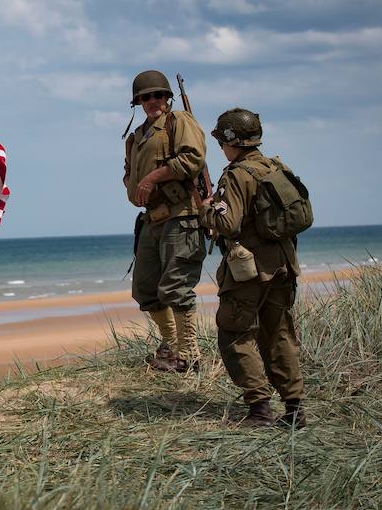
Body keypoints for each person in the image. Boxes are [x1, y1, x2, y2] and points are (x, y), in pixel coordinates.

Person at [198, 108, 306, 428]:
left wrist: (207, 212)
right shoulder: (276, 166)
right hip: (284, 264)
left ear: (231, 140)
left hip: (249, 269)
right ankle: (295, 410)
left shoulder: (236, 174)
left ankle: (259, 410)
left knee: (234, 333)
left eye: (222, 141)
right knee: (279, 334)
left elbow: (228, 224)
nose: (221, 148)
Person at [123, 70, 207, 372]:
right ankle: (172, 345)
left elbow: (193, 158)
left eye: (158, 95)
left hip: (180, 217)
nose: (153, 101)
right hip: (152, 220)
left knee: (176, 287)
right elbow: (128, 171)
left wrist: (153, 178)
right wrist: (134, 184)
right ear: (138, 102)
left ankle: (190, 352)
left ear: (167, 97)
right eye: (146, 97)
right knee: (145, 289)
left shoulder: (178, 122)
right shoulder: (136, 137)